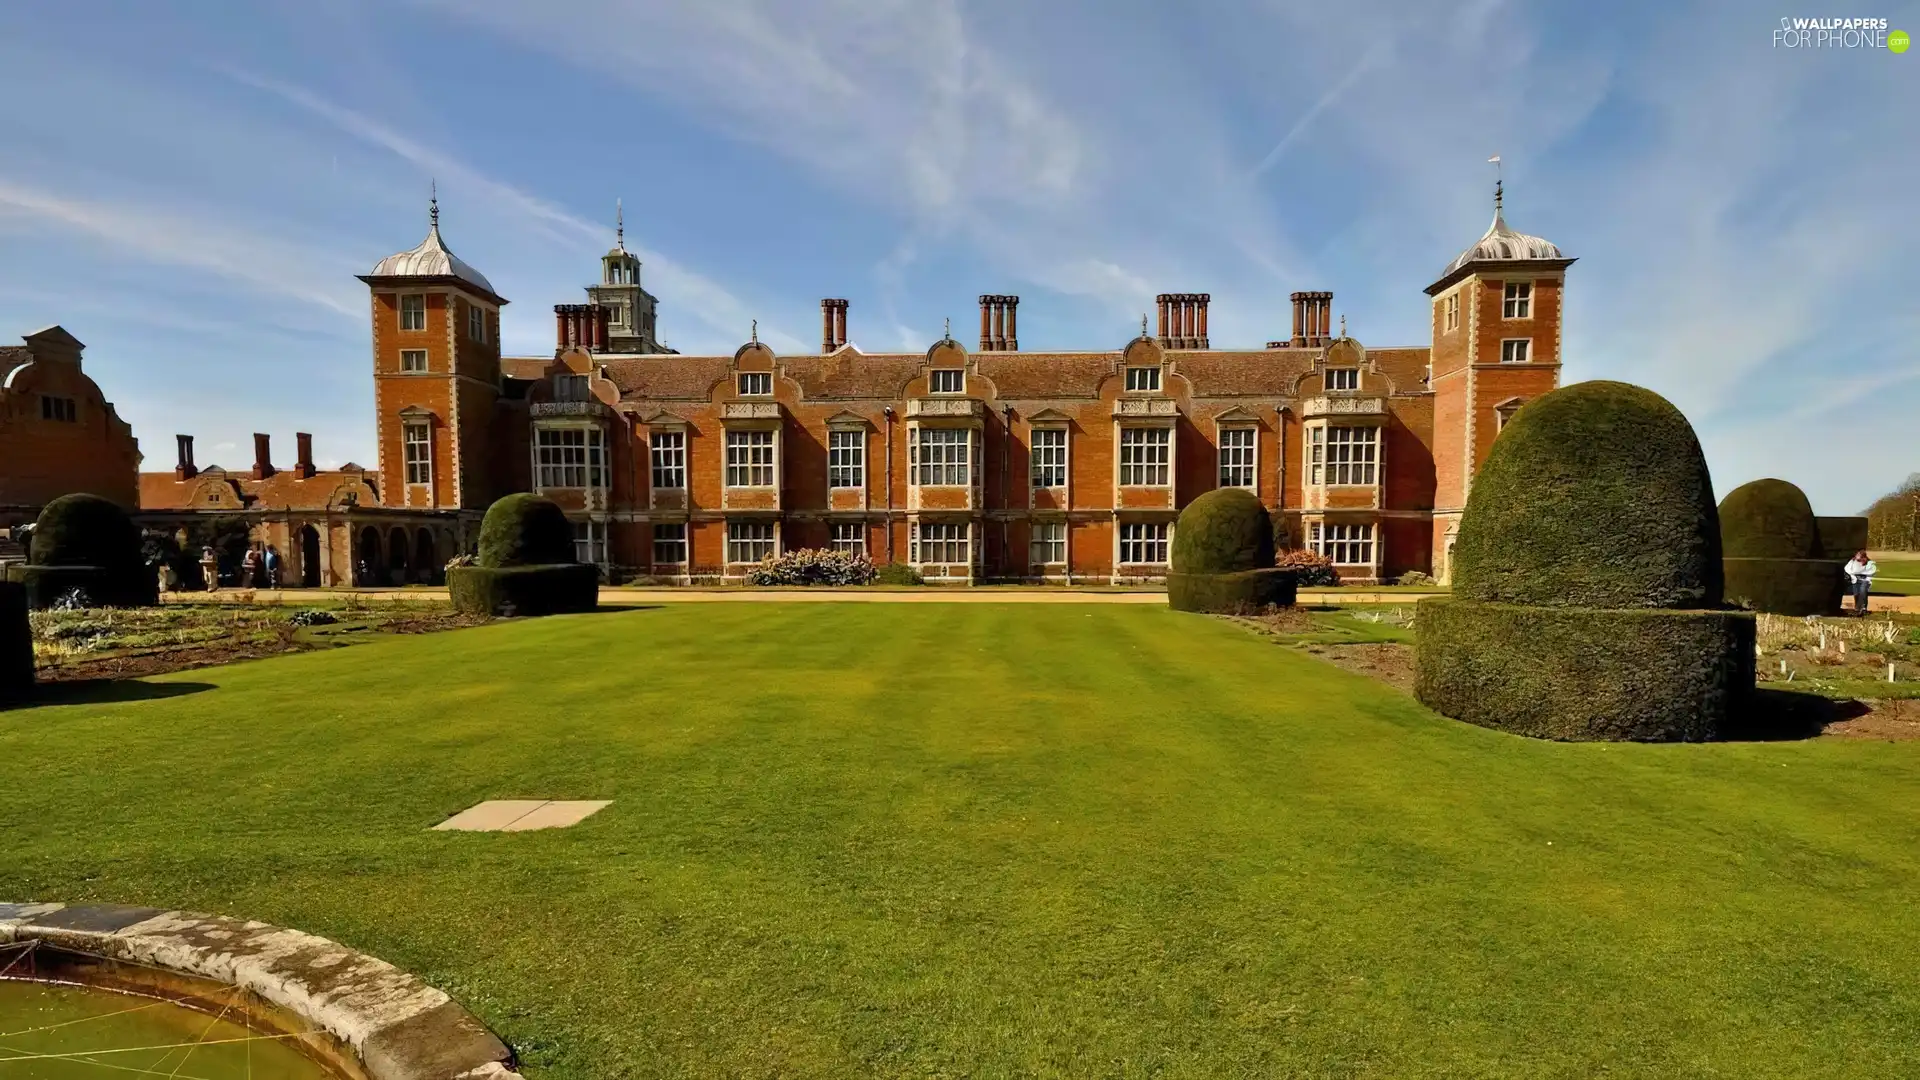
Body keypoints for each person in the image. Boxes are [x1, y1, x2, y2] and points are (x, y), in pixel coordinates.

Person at [1843, 549, 1876, 616]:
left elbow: (1872, 571)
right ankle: (1858, 609)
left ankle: (1864, 608)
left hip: (1865, 580)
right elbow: (1847, 568)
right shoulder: (1852, 561)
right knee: (1856, 594)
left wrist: (1859, 573)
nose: (1857, 555)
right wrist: (1855, 573)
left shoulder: (1869, 562)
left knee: (1863, 591)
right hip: (1855, 580)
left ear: (1862, 555)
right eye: (1857, 554)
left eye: (1859, 554)